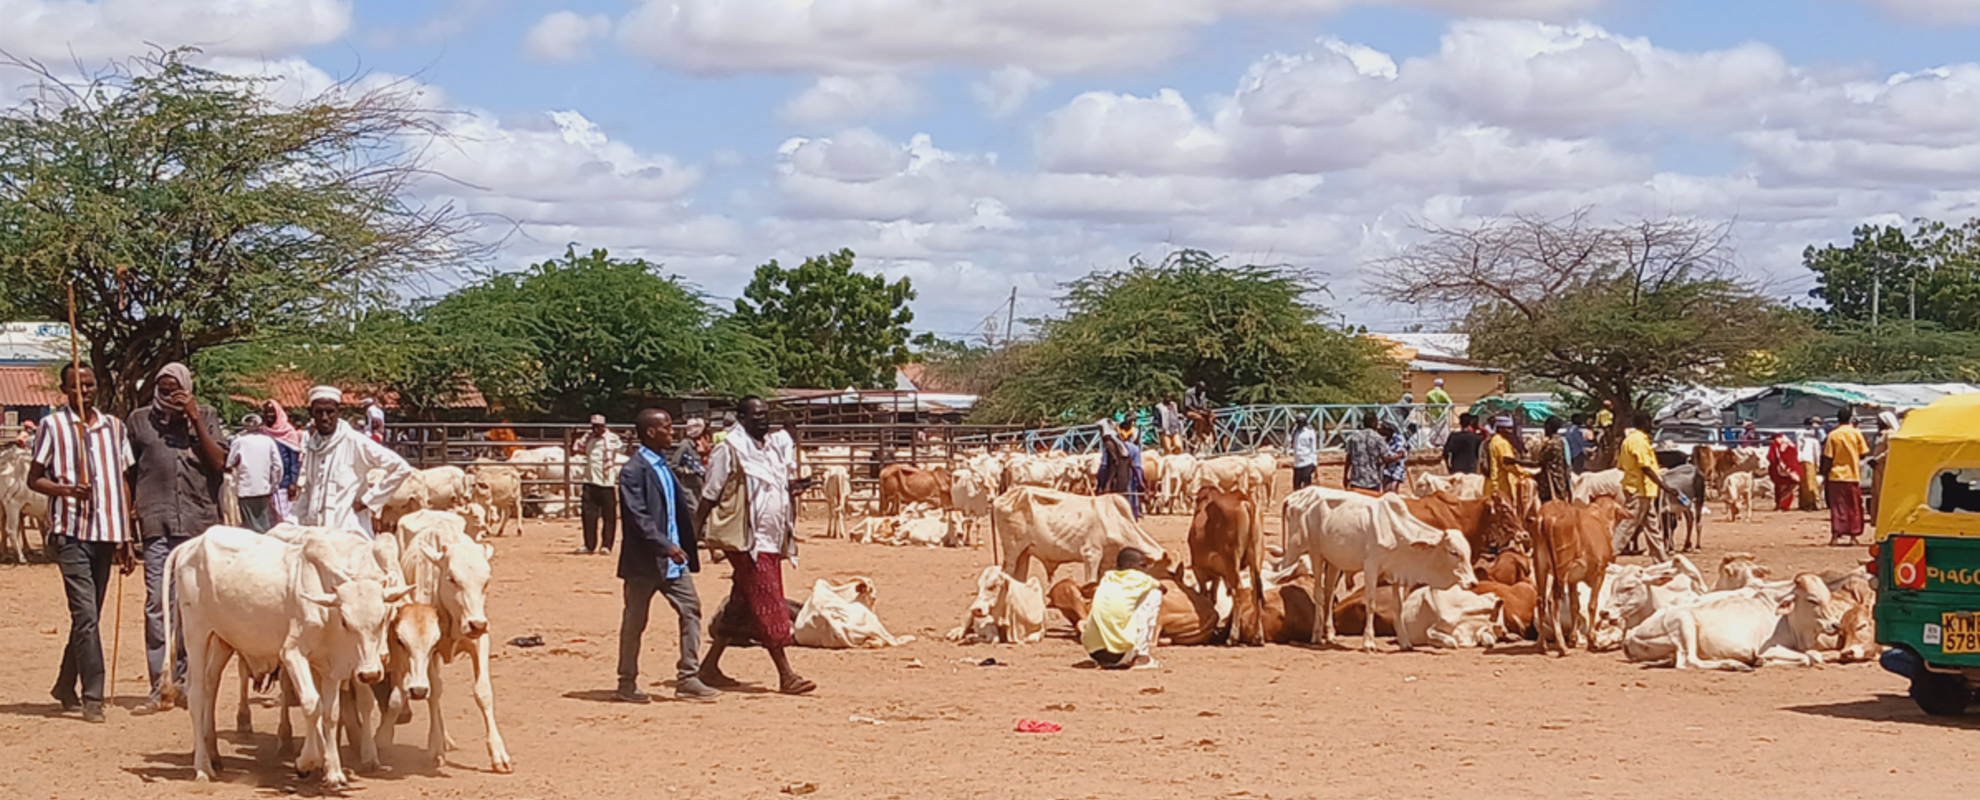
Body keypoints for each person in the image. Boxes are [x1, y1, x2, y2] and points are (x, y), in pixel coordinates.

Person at [29, 363, 134, 723]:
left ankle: (63, 685)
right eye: (75, 387)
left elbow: (122, 482)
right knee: (85, 615)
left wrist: (126, 535)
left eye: (88, 385)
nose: (84, 392)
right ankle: (93, 696)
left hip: (106, 533)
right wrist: (66, 489)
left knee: (89, 617)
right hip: (70, 531)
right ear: (63, 391)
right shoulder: (52, 426)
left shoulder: (114, 427)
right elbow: (34, 479)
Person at [693, 396, 816, 696]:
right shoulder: (730, 450)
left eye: (766, 414)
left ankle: (709, 667)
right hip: (747, 540)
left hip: (771, 540)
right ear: (742, 418)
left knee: (742, 602)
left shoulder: (770, 450)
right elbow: (710, 494)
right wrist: (692, 533)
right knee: (769, 599)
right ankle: (786, 674)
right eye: (756, 415)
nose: (763, 419)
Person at [126, 362, 226, 716]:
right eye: (164, 390)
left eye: (176, 389)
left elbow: (218, 463)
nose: (170, 395)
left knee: (192, 608)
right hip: (157, 525)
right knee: (157, 603)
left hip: (200, 529)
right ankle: (160, 685)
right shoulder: (139, 421)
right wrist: (127, 525)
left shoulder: (207, 416)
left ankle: (187, 682)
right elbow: (130, 471)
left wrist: (193, 418)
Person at [614, 408, 719, 704]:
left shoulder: (664, 467)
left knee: (691, 610)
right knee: (635, 622)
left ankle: (688, 676)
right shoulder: (633, 471)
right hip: (645, 562)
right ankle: (626, 682)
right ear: (650, 432)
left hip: (674, 562)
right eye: (667, 427)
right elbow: (637, 516)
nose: (672, 432)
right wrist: (665, 545)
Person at [293, 385, 413, 539]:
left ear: (339, 413)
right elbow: (309, 490)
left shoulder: (355, 442)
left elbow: (401, 468)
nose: (324, 417)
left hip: (350, 535)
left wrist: (368, 501)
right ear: (311, 414)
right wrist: (293, 520)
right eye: (319, 412)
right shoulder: (313, 446)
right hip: (317, 534)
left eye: (330, 412)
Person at [1081, 548, 1164, 670]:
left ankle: (1111, 656)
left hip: (1095, 653)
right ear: (1129, 565)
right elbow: (1163, 588)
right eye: (1142, 565)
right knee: (1153, 594)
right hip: (1119, 656)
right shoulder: (1140, 578)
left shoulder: (1107, 578)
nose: (1145, 570)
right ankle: (1142, 657)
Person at [1613, 412, 1678, 560]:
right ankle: (1607, 556)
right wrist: (1664, 486)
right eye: (1649, 422)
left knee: (1652, 527)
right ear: (1644, 423)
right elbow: (1645, 467)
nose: (1651, 426)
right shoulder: (1637, 441)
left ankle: (1662, 561)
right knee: (1627, 525)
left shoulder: (1633, 439)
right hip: (1638, 490)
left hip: (1644, 491)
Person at [574, 415, 624, 556]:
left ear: (604, 426)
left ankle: (607, 545)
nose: (596, 429)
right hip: (590, 481)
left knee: (609, 517)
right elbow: (576, 448)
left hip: (607, 482)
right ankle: (589, 545)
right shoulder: (587, 439)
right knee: (588, 516)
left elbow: (624, 449)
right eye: (593, 426)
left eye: (599, 426)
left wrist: (629, 439)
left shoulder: (612, 439)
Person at [227, 414, 285, 533]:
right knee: (265, 524)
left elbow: (229, 463)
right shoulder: (268, 441)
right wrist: (273, 485)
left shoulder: (239, 442)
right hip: (263, 489)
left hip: (245, 490)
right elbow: (278, 467)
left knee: (249, 527)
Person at [1822, 408, 1870, 547]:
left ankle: (1836, 536)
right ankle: (1853, 537)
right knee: (1854, 507)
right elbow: (1864, 453)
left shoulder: (1833, 435)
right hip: (1852, 475)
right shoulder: (1856, 433)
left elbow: (1828, 457)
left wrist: (1824, 474)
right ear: (1850, 418)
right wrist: (1853, 456)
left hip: (1836, 475)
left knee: (1837, 507)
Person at [261, 400, 303, 525]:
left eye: (272, 412)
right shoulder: (263, 432)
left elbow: (293, 460)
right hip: (266, 483)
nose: (269, 415)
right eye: (266, 412)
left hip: (283, 484)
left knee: (284, 517)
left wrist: (293, 482)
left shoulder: (288, 432)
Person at [1095, 418, 1146, 518]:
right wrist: (1140, 481)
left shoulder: (1110, 446)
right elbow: (1136, 467)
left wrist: (1103, 483)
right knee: (1130, 508)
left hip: (1115, 483)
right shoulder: (1133, 449)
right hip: (1128, 481)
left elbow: (1105, 466)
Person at [1343, 415, 1387, 495]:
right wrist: (1400, 455)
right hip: (1373, 480)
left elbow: (1348, 458)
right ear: (1375, 423)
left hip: (1356, 479)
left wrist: (1345, 476)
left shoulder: (1353, 437)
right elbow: (1385, 458)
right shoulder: (1378, 438)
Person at [1533, 417, 1573, 503]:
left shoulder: (1551, 444)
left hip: (1551, 484)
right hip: (1560, 481)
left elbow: (1539, 462)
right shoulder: (1560, 440)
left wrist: (1516, 461)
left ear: (1548, 427)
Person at [1766, 432, 1801, 512]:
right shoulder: (1791, 444)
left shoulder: (1775, 445)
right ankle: (1785, 505)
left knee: (1780, 488)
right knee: (1790, 488)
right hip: (1793, 470)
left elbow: (1771, 457)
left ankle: (1780, 505)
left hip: (1779, 470)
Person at [1796, 417, 1825, 512]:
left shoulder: (1801, 435)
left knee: (1805, 483)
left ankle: (1806, 503)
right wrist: (1817, 465)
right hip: (1809, 460)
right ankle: (1813, 503)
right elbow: (1816, 453)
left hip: (1804, 460)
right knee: (1810, 483)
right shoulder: (1812, 438)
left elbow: (1798, 448)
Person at [1290, 414, 1318, 491]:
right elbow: (1288, 443)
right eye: (1298, 422)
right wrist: (1289, 433)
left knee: (1306, 487)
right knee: (1296, 487)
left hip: (1307, 462)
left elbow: (1313, 449)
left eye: (1301, 422)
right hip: (1297, 463)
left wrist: (1315, 464)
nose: (1299, 424)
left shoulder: (1310, 432)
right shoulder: (1294, 432)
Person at [1381, 421, 1408, 494]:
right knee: (1385, 491)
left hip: (1397, 468)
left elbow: (1401, 454)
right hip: (1387, 469)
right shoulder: (1384, 439)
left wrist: (1389, 459)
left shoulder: (1398, 438)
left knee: (1392, 490)